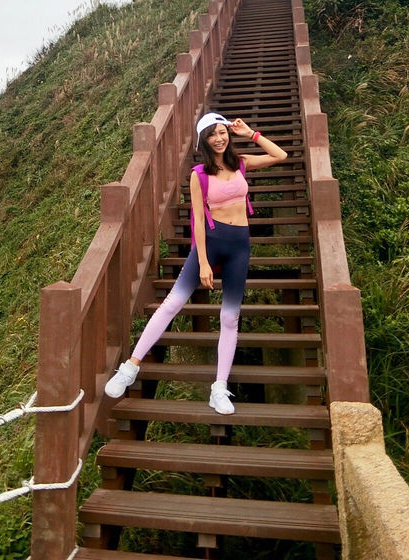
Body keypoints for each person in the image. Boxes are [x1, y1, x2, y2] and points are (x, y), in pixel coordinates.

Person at [104, 111, 288, 413]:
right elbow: (199, 222)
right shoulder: (199, 174)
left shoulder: (240, 163)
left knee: (230, 318)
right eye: (212, 134)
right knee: (172, 303)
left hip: (240, 246)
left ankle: (219, 388)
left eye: (222, 132)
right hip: (212, 244)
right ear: (203, 140)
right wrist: (202, 262)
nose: (219, 138)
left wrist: (250, 133)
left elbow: (280, 154)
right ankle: (130, 367)